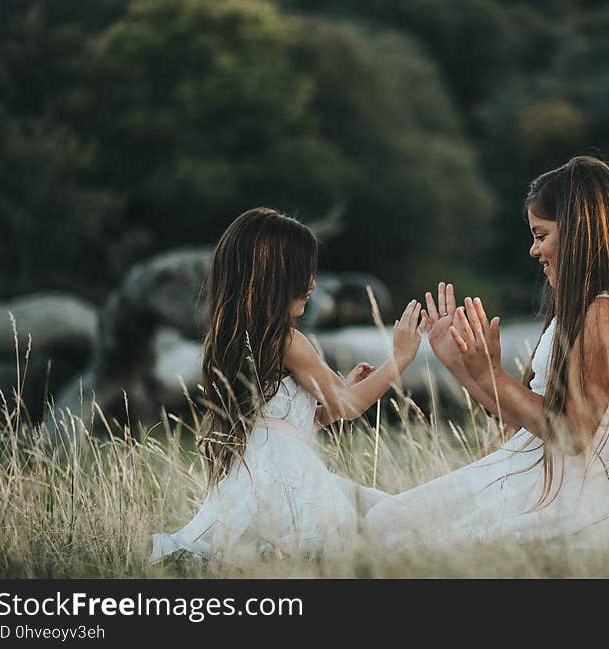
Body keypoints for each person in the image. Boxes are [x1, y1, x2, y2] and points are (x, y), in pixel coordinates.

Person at [364, 156, 609, 553]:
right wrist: (462, 366)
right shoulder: (576, 312)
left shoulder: (605, 314)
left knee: (393, 528)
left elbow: (572, 433)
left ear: (579, 234)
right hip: (538, 473)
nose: (533, 251)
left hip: (574, 496)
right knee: (384, 521)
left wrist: (492, 376)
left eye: (541, 235)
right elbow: (530, 420)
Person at [150, 208, 424, 565]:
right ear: (272, 277)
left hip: (252, 480)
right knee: (382, 526)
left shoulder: (234, 340)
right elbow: (348, 407)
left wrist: (331, 400)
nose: (312, 284)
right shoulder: (288, 340)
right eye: (303, 273)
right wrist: (398, 359)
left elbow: (288, 424)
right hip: (288, 479)